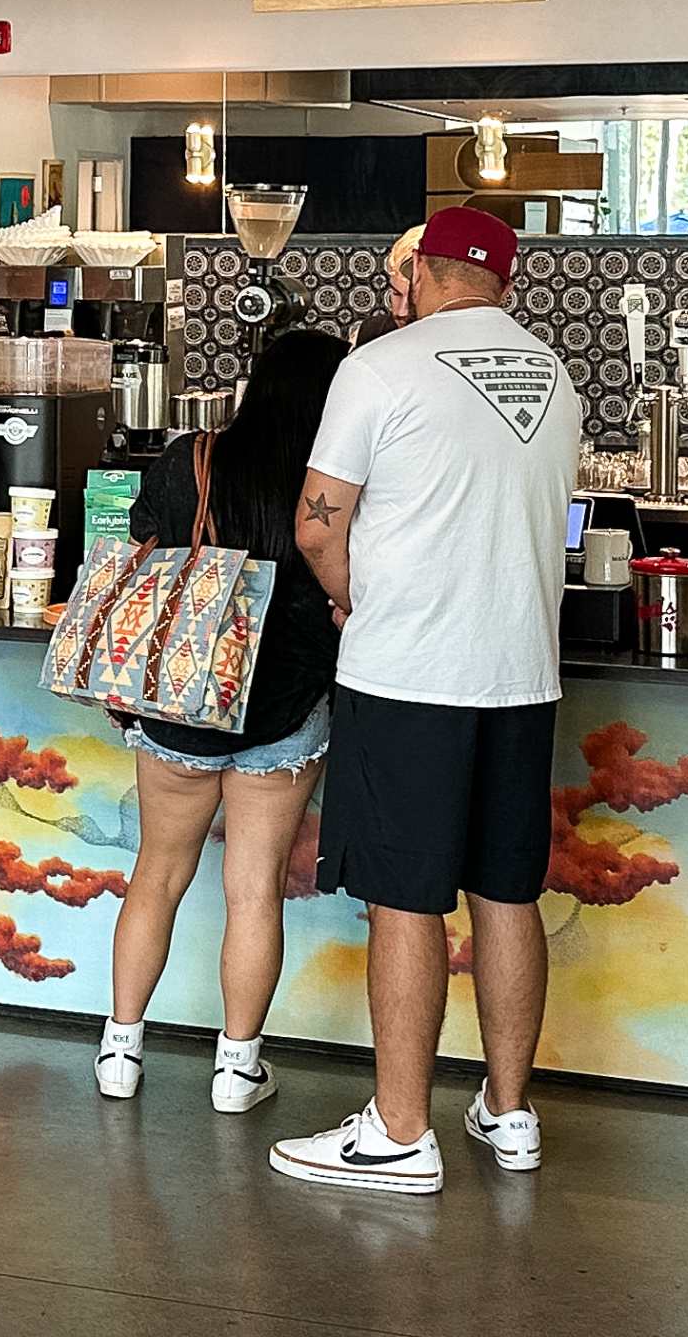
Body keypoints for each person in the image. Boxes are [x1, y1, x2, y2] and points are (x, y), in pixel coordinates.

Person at [268, 208, 576, 1195]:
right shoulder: (555, 377)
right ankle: (509, 1111)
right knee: (505, 890)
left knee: (405, 898)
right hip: (522, 676)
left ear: (422, 272)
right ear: (504, 281)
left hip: (408, 675)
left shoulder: (382, 367)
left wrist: (353, 592)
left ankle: (401, 1133)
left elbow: (318, 524)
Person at [92, 327, 352, 1114]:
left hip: (181, 703)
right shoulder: (330, 483)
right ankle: (237, 1071)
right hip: (284, 708)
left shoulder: (189, 459)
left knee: (157, 875)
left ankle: (120, 1051)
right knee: (254, 891)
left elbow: (140, 549)